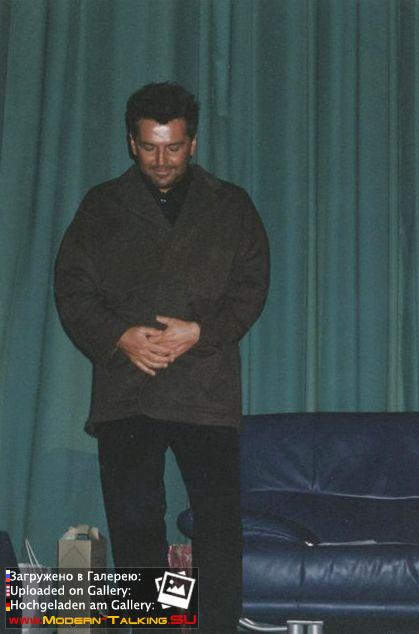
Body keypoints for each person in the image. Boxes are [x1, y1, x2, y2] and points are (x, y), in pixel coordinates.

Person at [55, 82, 270, 634]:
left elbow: (251, 288)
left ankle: (215, 628)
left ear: (192, 143)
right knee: (135, 529)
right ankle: (154, 630)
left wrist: (201, 331)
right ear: (131, 143)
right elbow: (73, 290)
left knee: (218, 528)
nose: (161, 160)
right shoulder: (101, 206)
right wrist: (119, 336)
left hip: (206, 390)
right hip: (128, 391)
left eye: (173, 147)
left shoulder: (232, 205)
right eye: (149, 147)